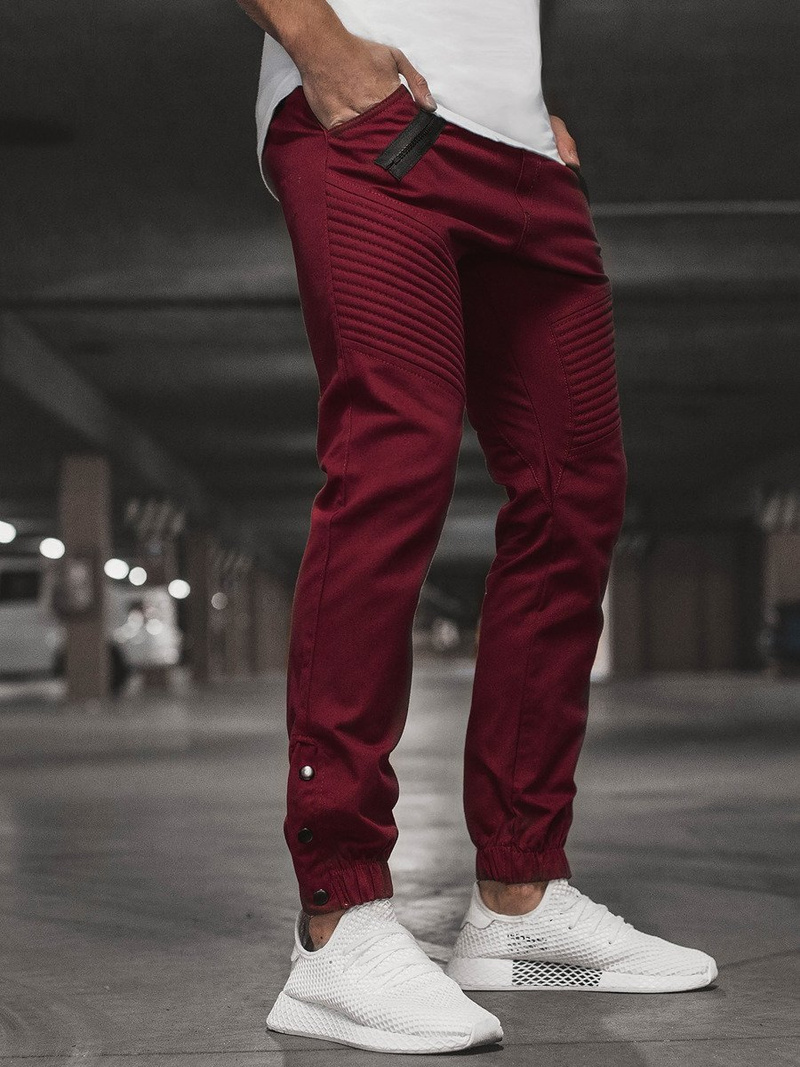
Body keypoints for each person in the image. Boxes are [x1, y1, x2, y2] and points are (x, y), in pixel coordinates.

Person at [236, 0, 718, 1053]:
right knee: (391, 465)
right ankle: (337, 916)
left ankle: (518, 897)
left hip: (523, 151)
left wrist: (524, 108)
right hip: (371, 114)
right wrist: (315, 42)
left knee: (574, 488)